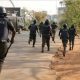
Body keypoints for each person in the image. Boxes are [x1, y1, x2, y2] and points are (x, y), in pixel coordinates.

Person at [0, 7, 16, 72]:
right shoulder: (7, 20)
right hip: (3, 43)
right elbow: (14, 31)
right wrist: (12, 39)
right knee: (1, 60)